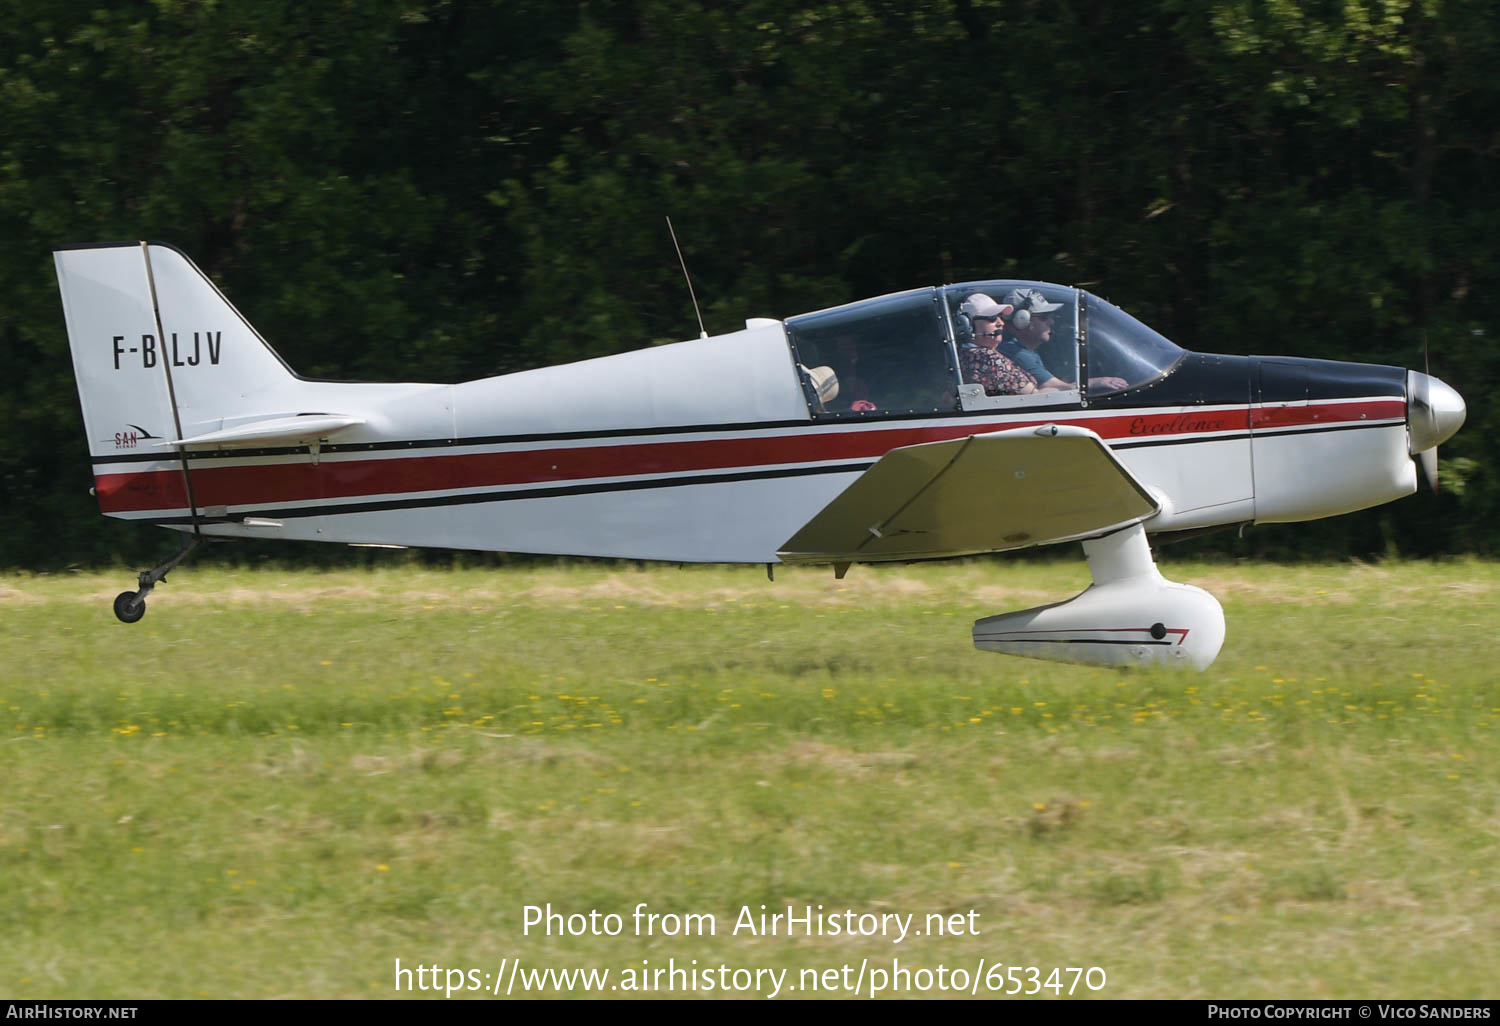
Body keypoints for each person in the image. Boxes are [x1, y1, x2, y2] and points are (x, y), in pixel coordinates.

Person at [999, 287, 1128, 393]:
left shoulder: (1020, 348)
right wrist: (1100, 382)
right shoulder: (1015, 353)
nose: (1051, 321)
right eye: (1044, 317)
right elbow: (1059, 388)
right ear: (1021, 320)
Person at [957, 293, 1036, 396]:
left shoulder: (962, 354)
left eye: (1000, 317)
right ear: (968, 324)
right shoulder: (988, 358)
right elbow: (1035, 395)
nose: (1001, 323)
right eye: (992, 318)